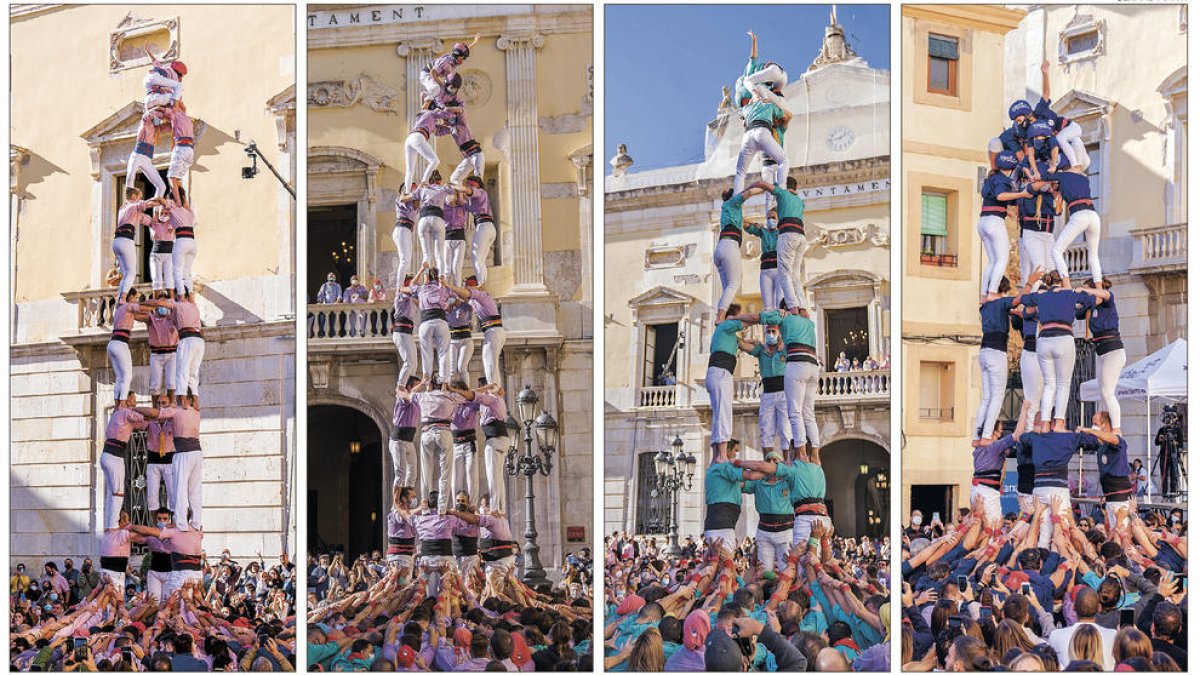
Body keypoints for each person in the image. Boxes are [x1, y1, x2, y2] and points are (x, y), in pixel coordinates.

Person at [1018, 272, 1094, 430]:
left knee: (1049, 384)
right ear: (1061, 281)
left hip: (1044, 340)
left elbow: (1023, 299)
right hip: (1063, 337)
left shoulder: (1041, 296)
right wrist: (1076, 290)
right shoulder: (1068, 294)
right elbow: (1089, 301)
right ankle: (1058, 422)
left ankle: (1045, 423)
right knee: (1063, 384)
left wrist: (1030, 283)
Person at [1027, 148, 1101, 286]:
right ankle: (1100, 287)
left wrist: (1034, 173)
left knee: (1056, 251)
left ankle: (1066, 285)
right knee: (1094, 255)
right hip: (1093, 215)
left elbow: (1041, 179)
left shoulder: (1060, 176)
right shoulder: (1084, 178)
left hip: (1079, 215)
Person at [978, 151, 1034, 299]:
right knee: (1002, 260)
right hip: (994, 222)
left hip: (983, 221)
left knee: (992, 261)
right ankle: (992, 292)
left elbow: (994, 199)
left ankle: (984, 294)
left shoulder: (990, 178)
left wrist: (1006, 211)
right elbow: (1000, 196)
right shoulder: (1004, 180)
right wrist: (1022, 194)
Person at [1078, 279, 1125, 434]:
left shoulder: (1107, 301)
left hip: (1113, 351)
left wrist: (1087, 291)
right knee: (1102, 392)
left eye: (1088, 290)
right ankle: (1106, 425)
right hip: (1101, 352)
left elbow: (1105, 293)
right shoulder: (1091, 308)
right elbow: (1077, 310)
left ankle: (1117, 429)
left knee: (1107, 392)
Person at [737, 324, 790, 457]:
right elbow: (742, 345)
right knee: (766, 430)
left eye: (773, 331)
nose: (771, 334)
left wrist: (783, 342)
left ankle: (788, 463)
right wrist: (752, 339)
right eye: (768, 332)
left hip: (784, 393)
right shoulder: (761, 350)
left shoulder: (785, 349)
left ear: (779, 333)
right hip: (767, 394)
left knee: (786, 430)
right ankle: (769, 461)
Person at [705, 307, 749, 461]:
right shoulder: (725, 325)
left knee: (719, 415)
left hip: (716, 374)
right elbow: (747, 321)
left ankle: (716, 455)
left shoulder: (725, 334)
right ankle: (722, 455)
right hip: (721, 373)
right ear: (731, 317)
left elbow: (744, 344)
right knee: (724, 415)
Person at [444, 280, 505, 384]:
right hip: (492, 331)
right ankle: (496, 389)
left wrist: (447, 284)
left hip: (494, 330)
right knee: (491, 364)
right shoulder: (473, 302)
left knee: (489, 363)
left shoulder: (482, 295)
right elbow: (462, 297)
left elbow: (466, 292)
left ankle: (493, 389)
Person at [101, 393, 147, 528]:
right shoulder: (126, 412)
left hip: (108, 455)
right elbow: (142, 417)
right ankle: (113, 527)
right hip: (114, 456)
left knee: (112, 493)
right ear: (126, 400)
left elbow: (142, 425)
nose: (135, 402)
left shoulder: (119, 413)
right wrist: (159, 414)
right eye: (132, 399)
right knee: (118, 492)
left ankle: (110, 524)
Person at [405, 264, 455, 383]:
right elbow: (455, 295)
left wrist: (421, 269)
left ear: (427, 277)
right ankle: (444, 382)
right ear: (437, 277)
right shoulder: (442, 289)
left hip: (425, 322)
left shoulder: (421, 288)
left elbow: (411, 285)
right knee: (443, 352)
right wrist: (445, 284)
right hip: (440, 321)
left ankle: (427, 381)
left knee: (426, 352)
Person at [455, 176, 496, 286]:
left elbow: (468, 191)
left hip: (484, 226)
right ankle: (482, 283)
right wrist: (459, 191)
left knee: (476, 257)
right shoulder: (473, 202)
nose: (469, 187)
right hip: (487, 227)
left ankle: (481, 285)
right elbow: (460, 202)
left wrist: (458, 186)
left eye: (471, 185)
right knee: (480, 260)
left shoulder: (480, 192)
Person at [418, 38, 479, 104]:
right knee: (436, 88)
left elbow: (464, 51)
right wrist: (441, 84)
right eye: (463, 58)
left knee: (445, 90)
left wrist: (474, 43)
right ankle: (425, 102)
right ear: (457, 55)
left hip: (433, 74)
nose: (463, 59)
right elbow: (432, 72)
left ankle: (429, 97)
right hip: (427, 75)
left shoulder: (454, 60)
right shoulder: (446, 63)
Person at [145, 393, 176, 512]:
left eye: (164, 403)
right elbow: (139, 424)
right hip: (153, 460)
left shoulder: (174, 420)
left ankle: (174, 525)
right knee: (152, 496)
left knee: (173, 494)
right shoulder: (151, 420)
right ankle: (154, 527)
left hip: (169, 460)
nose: (160, 406)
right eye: (158, 403)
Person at [450, 380, 481, 497]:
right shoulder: (450, 405)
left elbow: (480, 398)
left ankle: (472, 504)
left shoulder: (471, 404)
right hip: (455, 443)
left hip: (469, 442)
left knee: (471, 474)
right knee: (455, 476)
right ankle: (455, 503)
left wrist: (468, 394)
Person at [390, 377, 421, 490]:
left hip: (409, 439)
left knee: (412, 473)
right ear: (409, 387)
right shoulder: (403, 398)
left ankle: (407, 499)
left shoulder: (416, 400)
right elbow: (407, 396)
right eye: (417, 386)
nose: (420, 388)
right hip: (399, 439)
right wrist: (423, 382)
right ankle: (396, 504)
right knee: (400, 474)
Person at [165, 194, 197, 298]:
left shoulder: (174, 212)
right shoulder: (189, 211)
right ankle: (191, 298)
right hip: (192, 242)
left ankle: (182, 298)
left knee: (177, 272)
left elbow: (170, 233)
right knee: (186, 273)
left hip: (181, 242)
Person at [167, 102, 195, 205]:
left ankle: (178, 203)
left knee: (171, 177)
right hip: (190, 149)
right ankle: (185, 203)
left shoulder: (174, 113)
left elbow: (161, 112)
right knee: (178, 179)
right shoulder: (187, 118)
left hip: (181, 147)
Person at [392, 284, 418, 384]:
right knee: (408, 362)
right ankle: (401, 386)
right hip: (401, 332)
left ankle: (410, 385)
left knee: (414, 364)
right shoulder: (400, 296)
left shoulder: (412, 299)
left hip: (407, 332)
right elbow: (411, 291)